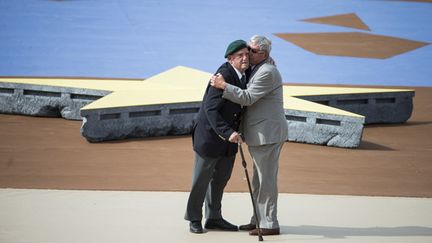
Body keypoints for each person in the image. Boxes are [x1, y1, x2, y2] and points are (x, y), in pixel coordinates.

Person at [210, 35, 288, 236]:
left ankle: (269, 223)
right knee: (258, 180)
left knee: (266, 180)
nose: (247, 53)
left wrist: (223, 86)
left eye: (251, 50)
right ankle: (258, 220)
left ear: (263, 53)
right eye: (246, 49)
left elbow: (248, 98)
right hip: (260, 134)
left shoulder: (267, 72)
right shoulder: (261, 67)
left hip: (267, 135)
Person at [184, 40, 250, 234]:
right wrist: (228, 132)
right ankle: (194, 218)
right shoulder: (223, 76)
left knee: (221, 179)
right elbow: (210, 110)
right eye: (240, 56)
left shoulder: (244, 74)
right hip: (210, 138)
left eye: (247, 54)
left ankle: (213, 218)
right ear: (230, 59)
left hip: (228, 141)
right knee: (201, 180)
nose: (245, 58)